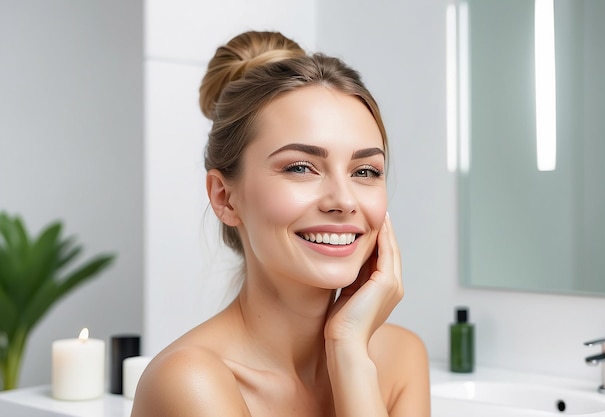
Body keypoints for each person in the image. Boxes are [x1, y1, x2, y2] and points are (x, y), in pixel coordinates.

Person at [131, 30, 430, 417]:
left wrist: (349, 351)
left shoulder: (401, 358)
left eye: (365, 171)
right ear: (225, 197)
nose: (343, 200)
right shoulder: (189, 382)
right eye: (301, 167)